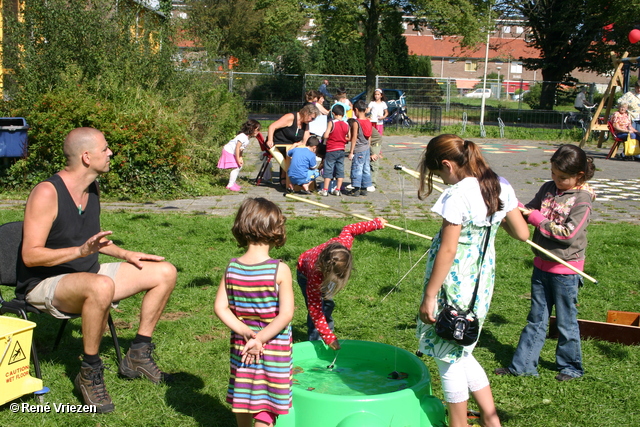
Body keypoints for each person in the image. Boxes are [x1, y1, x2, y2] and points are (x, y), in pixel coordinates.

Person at [17, 127, 178, 413]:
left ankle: (138, 355)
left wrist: (125, 253)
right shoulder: (46, 192)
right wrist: (79, 252)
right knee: (101, 285)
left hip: (88, 274)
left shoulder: (91, 188)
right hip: (45, 284)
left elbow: (93, 242)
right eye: (105, 149)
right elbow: (30, 256)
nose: (111, 153)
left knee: (165, 271)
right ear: (86, 157)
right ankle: (89, 371)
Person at [415, 134, 529, 427]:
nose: (442, 179)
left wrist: (430, 294)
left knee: (447, 357)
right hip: (481, 283)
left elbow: (449, 249)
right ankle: (492, 422)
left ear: (448, 165)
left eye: (439, 173)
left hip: (453, 285)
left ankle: (458, 424)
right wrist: (506, 211)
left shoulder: (458, 194)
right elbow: (522, 233)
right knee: (461, 349)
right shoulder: (500, 185)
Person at [495, 144, 596, 383]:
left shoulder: (582, 200)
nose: (555, 180)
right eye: (553, 174)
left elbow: (566, 234)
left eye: (562, 178)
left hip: (566, 271)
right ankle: (523, 366)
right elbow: (530, 210)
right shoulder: (548, 189)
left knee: (565, 321)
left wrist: (537, 218)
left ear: (579, 176)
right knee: (536, 319)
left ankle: (571, 367)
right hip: (541, 266)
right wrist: (511, 207)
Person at [214, 197, 294, 427]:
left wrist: (246, 332)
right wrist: (260, 338)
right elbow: (286, 314)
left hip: (244, 344)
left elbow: (220, 307)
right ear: (275, 229)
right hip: (272, 347)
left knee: (244, 395)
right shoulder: (280, 269)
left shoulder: (232, 268)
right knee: (267, 402)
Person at [297, 218, 387, 350]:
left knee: (327, 303)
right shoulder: (314, 275)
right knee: (318, 308)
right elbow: (315, 310)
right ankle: (316, 343)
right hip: (304, 274)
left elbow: (349, 229)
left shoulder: (343, 245)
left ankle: (327, 331)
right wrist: (329, 338)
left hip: (322, 272)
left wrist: (375, 224)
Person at [267, 104, 320, 190]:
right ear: (306, 113)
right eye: (312, 118)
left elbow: (306, 140)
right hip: (278, 142)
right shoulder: (290, 117)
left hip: (291, 144)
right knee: (293, 153)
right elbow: (272, 126)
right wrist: (270, 140)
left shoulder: (306, 123)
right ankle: (286, 177)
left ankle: (300, 178)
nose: (312, 120)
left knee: (301, 153)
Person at [218, 119, 262, 191]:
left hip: (233, 152)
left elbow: (241, 149)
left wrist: (240, 157)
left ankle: (233, 182)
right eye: (257, 130)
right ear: (251, 129)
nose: (258, 132)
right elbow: (237, 148)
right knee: (237, 167)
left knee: (238, 167)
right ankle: (230, 185)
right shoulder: (242, 137)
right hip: (229, 151)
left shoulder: (246, 137)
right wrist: (238, 159)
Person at [319, 104, 350, 197]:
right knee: (340, 170)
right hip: (341, 149)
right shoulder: (346, 124)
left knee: (328, 169)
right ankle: (338, 189)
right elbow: (349, 137)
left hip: (331, 149)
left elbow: (326, 136)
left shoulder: (331, 123)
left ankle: (325, 190)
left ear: (333, 113)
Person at [346, 100, 373, 197]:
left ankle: (356, 189)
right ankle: (364, 188)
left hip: (358, 149)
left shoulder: (356, 123)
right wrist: (369, 147)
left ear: (356, 110)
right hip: (366, 148)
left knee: (357, 168)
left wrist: (351, 151)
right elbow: (370, 136)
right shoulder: (368, 121)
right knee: (366, 168)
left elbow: (354, 138)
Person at [368, 127, 383, 193]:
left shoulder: (364, 125)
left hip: (374, 143)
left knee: (373, 163)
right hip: (369, 143)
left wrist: (373, 153)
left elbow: (368, 140)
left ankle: (372, 183)